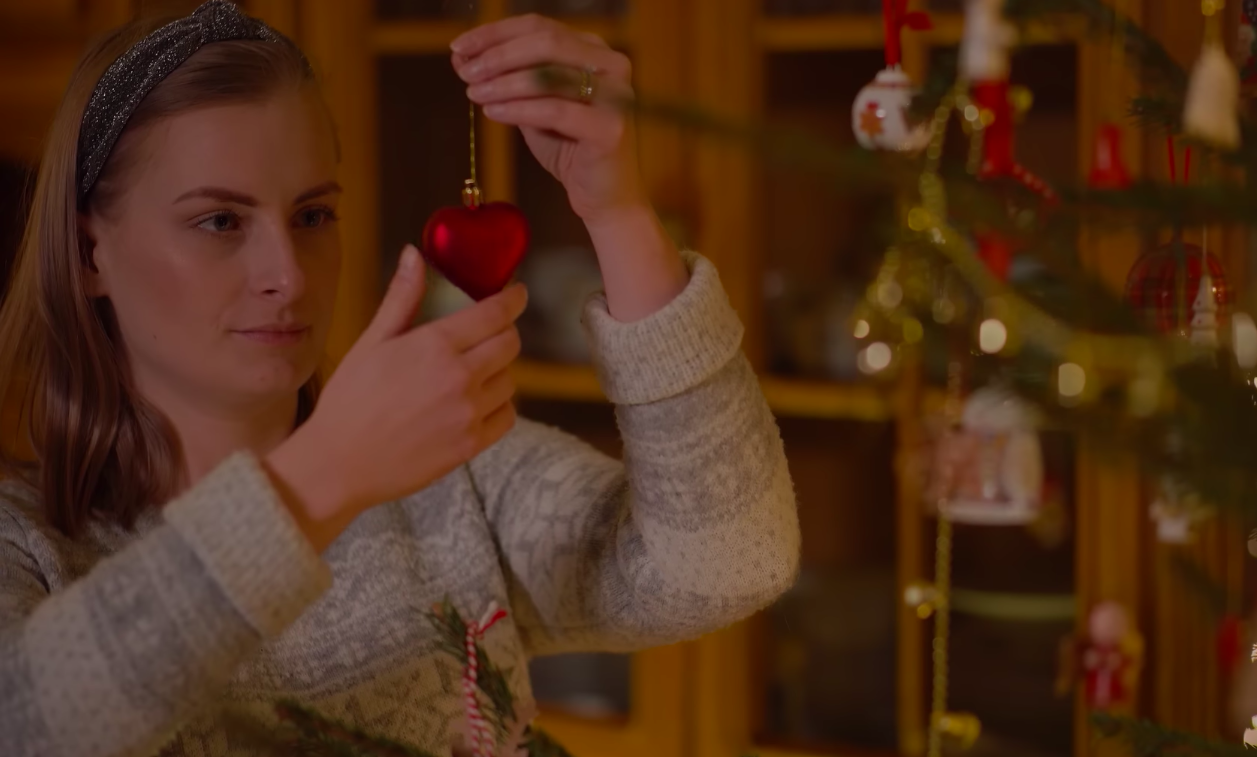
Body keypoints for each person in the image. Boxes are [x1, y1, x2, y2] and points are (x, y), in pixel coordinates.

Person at [0, 2, 799, 755]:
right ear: (89, 252)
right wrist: (330, 473)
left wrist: (618, 211)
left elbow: (729, 563)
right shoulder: (28, 542)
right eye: (220, 221)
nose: (288, 275)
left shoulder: (457, 483)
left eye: (313, 215)